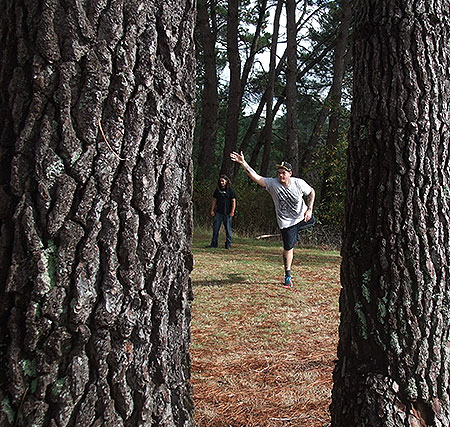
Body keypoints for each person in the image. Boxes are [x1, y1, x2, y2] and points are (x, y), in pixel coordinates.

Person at [230, 151, 315, 288]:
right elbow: (256, 177)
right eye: (279, 172)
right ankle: (288, 275)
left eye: (284, 173)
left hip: (302, 217)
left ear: (290, 174)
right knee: (288, 247)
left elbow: (311, 192)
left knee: (312, 221)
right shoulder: (272, 183)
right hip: (286, 223)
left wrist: (309, 209)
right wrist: (243, 163)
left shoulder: (298, 183)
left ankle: (296, 234)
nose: (281, 175)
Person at [207, 175, 236, 249]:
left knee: (228, 229)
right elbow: (214, 200)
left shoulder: (231, 190)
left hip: (228, 213)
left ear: (226, 181)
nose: (221, 182)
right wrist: (212, 210)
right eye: (220, 181)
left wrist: (232, 211)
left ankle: (228, 244)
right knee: (216, 229)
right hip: (218, 212)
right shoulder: (217, 190)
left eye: (223, 181)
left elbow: (233, 201)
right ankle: (214, 244)